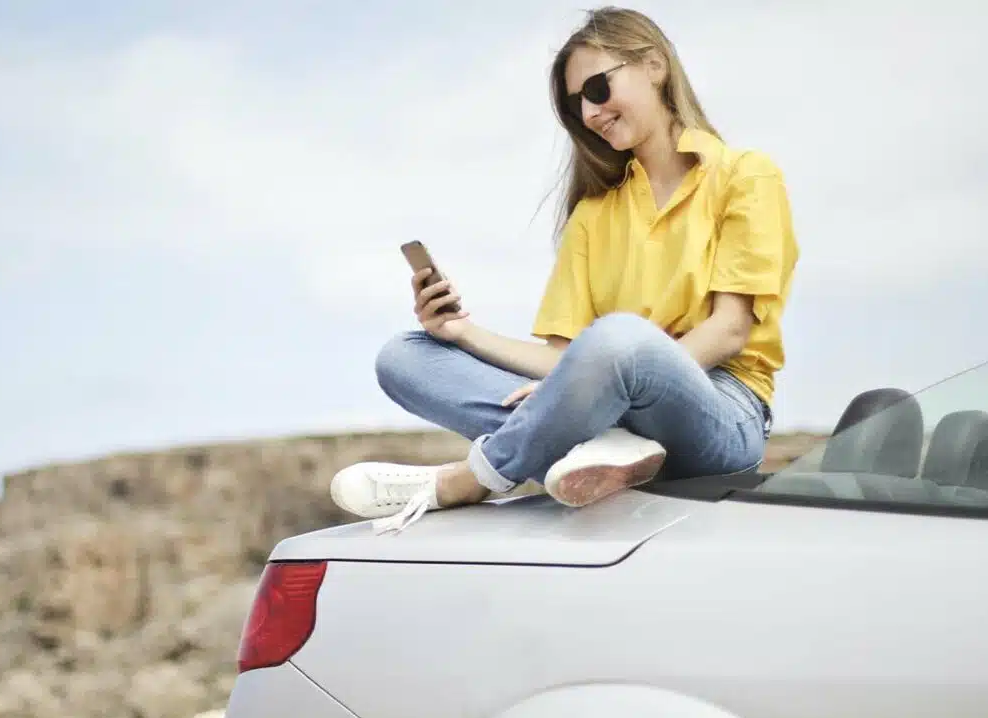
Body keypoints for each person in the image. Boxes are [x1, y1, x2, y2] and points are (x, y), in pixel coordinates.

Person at [331, 5, 798, 534]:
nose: (591, 112)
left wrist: (595, 387)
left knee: (621, 339)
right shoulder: (593, 216)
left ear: (654, 66)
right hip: (608, 406)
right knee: (403, 356)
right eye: (578, 104)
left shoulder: (745, 175)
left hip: (720, 410)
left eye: (597, 88)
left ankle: (474, 477)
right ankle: (599, 446)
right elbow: (562, 359)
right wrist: (462, 333)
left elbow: (730, 329)